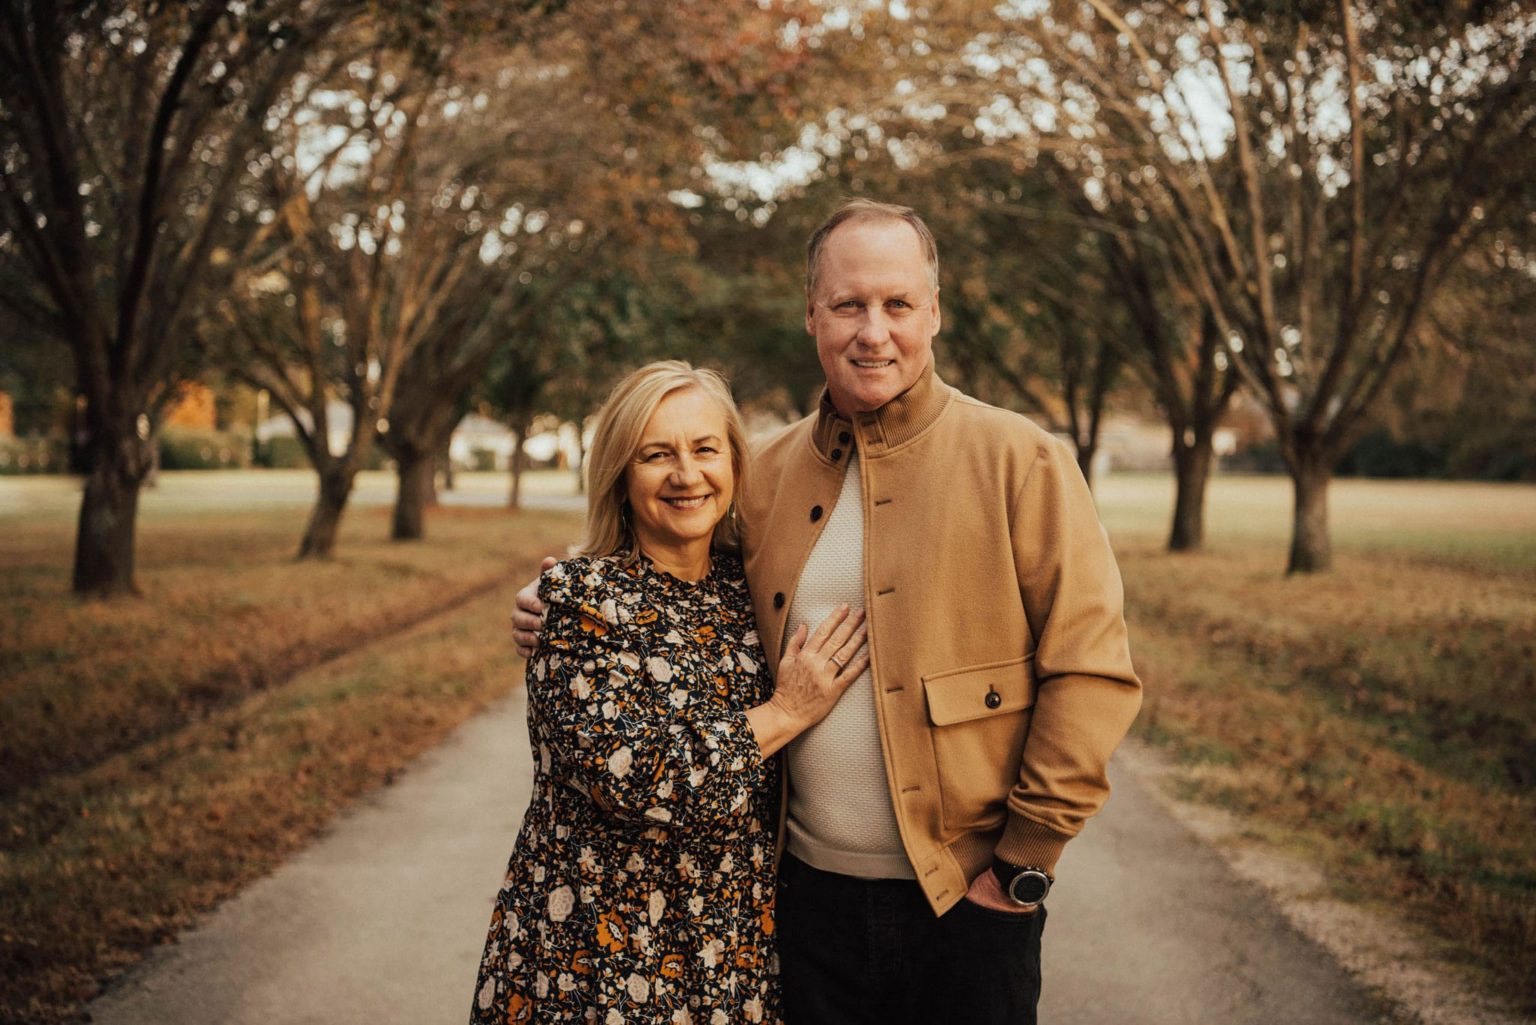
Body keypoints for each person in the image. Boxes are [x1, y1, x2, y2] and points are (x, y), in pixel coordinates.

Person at [513, 200, 1142, 1025]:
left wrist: (1022, 864)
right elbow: (672, 552)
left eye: (897, 304)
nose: (872, 331)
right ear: (812, 313)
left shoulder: (1021, 460)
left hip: (968, 907)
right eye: (848, 305)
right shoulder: (765, 470)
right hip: (800, 911)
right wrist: (563, 595)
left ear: (934, 313)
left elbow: (1090, 671)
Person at [471, 361, 869, 1025]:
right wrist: (784, 712)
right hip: (596, 962)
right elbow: (635, 777)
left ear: (736, 464)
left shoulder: (750, 589)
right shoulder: (578, 603)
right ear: (621, 475)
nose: (687, 474)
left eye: (705, 448)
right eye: (657, 454)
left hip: (728, 959)